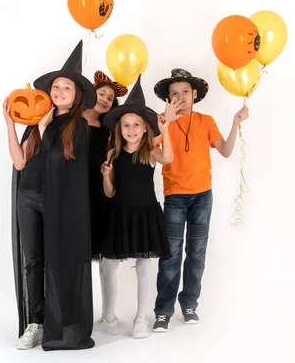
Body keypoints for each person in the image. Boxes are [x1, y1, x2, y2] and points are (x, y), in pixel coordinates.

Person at [151, 68, 249, 332]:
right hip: (174, 196)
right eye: (174, 94)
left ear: (195, 94)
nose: (180, 97)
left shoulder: (206, 121)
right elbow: (149, 151)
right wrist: (167, 123)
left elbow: (226, 151)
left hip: (203, 196)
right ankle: (163, 311)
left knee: (196, 253)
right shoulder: (162, 120)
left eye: (185, 92)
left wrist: (235, 123)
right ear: (168, 99)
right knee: (170, 254)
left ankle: (190, 303)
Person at [96, 75, 179, 339]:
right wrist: (106, 175)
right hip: (119, 215)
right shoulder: (112, 154)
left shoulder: (150, 152)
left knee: (145, 267)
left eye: (136, 125)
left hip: (144, 214)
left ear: (145, 129)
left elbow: (168, 157)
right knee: (107, 265)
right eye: (126, 125)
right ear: (119, 129)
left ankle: (142, 317)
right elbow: (110, 193)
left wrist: (165, 128)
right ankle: (108, 316)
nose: (130, 129)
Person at [32, 40, 96, 350]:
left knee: (70, 262)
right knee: (55, 262)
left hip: (71, 206)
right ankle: (57, 329)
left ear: (77, 96)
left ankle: (74, 328)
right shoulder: (48, 122)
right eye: (56, 86)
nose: (58, 91)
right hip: (53, 203)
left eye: (66, 88)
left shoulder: (79, 126)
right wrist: (43, 127)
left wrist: (45, 132)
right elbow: (40, 164)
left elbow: (57, 159)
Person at [4, 89, 48, 350]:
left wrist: (45, 127)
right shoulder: (32, 130)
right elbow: (19, 162)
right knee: (32, 262)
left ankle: (54, 319)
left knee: (54, 260)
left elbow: (59, 162)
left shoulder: (61, 129)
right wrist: (9, 123)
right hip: (27, 197)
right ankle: (35, 323)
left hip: (53, 199)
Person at [82, 71, 128, 261]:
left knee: (91, 233)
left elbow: (108, 154)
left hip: (93, 185)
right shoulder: (73, 118)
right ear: (91, 93)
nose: (105, 100)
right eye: (101, 94)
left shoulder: (105, 129)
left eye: (110, 98)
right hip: (73, 180)